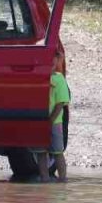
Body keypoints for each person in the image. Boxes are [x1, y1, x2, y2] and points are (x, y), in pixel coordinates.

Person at [36, 49, 70, 182]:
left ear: (57, 61)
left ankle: (63, 179)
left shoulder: (59, 79)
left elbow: (61, 103)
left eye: (53, 58)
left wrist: (50, 121)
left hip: (55, 122)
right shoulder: (38, 78)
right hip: (39, 121)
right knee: (40, 152)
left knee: (57, 152)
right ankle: (44, 178)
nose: (50, 61)